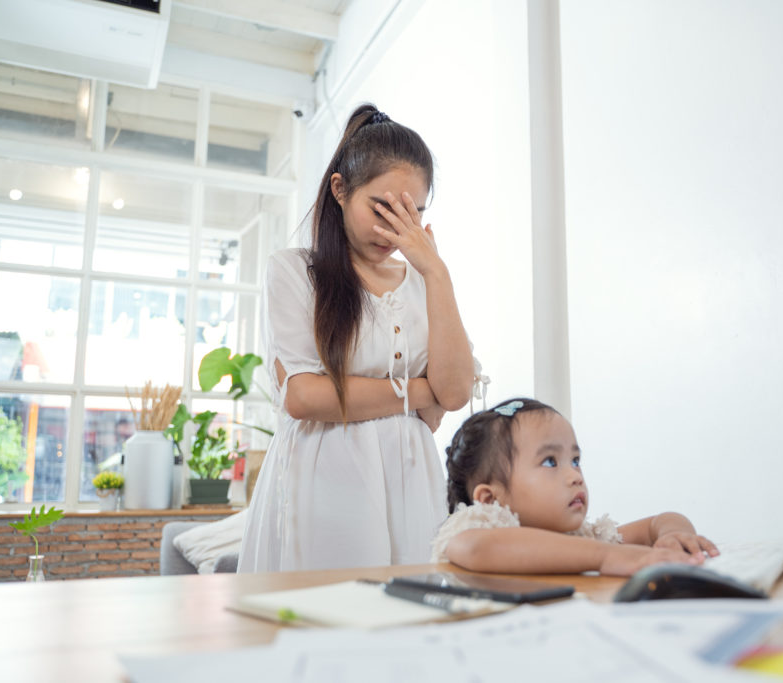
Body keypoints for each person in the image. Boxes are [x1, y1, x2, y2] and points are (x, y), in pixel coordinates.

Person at [238, 104, 475, 572]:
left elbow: (456, 392)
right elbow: (304, 398)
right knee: (324, 622)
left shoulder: (424, 280)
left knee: (407, 625)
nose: (395, 229)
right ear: (341, 190)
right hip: (324, 480)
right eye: (383, 208)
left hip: (411, 484)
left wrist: (436, 271)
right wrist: (420, 392)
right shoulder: (295, 272)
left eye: (414, 213)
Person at [432, 398, 718, 576]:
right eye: (549, 462)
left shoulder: (579, 537)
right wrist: (606, 556)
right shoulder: (474, 528)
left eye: (576, 460)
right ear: (490, 500)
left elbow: (660, 521)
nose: (575, 476)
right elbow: (476, 548)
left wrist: (674, 536)